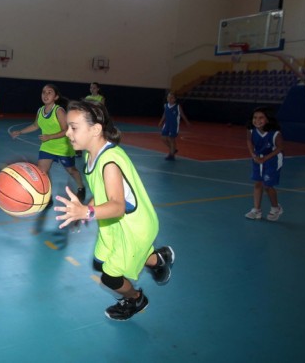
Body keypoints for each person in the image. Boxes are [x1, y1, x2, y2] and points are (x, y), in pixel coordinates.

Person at [53, 99, 174, 321]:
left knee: (110, 278)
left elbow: (117, 206)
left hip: (134, 227)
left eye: (74, 127)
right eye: (68, 126)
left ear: (96, 129)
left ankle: (136, 299)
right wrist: (83, 209)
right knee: (98, 262)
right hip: (114, 224)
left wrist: (87, 213)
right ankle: (159, 259)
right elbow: (102, 195)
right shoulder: (91, 155)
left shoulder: (109, 162)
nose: (67, 132)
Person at [10, 84, 86, 201]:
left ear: (55, 97)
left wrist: (50, 136)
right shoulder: (40, 110)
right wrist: (20, 131)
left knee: (72, 170)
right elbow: (35, 125)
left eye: (49, 92)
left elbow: (66, 130)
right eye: (43, 92)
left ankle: (81, 187)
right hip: (47, 146)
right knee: (42, 172)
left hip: (63, 147)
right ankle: (47, 196)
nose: (45, 95)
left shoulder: (59, 111)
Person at [244, 107, 284, 221]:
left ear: (267, 119)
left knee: (267, 185)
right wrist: (253, 154)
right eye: (255, 117)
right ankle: (256, 210)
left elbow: (280, 147)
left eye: (261, 117)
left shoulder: (275, 133)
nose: (257, 120)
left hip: (273, 158)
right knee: (257, 183)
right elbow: (249, 141)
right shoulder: (250, 130)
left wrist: (265, 158)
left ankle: (276, 208)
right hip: (258, 157)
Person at [157, 92, 190, 161]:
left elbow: (182, 114)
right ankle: (173, 149)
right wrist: (161, 122)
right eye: (168, 97)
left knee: (171, 139)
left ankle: (171, 155)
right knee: (163, 138)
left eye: (171, 97)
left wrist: (187, 122)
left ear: (174, 99)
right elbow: (164, 114)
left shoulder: (177, 106)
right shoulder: (165, 105)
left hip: (174, 125)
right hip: (167, 124)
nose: (169, 99)